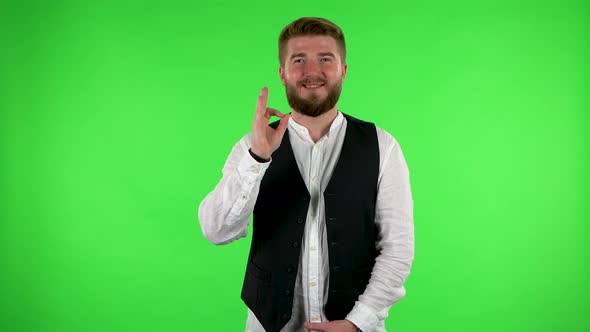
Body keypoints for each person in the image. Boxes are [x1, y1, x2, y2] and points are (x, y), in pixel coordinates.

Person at [199, 17, 414, 332]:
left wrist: (359, 321)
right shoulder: (252, 145)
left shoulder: (383, 146)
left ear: (343, 70)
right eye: (299, 60)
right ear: (282, 73)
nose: (312, 71)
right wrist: (257, 158)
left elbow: (397, 247)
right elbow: (215, 231)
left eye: (325, 59)